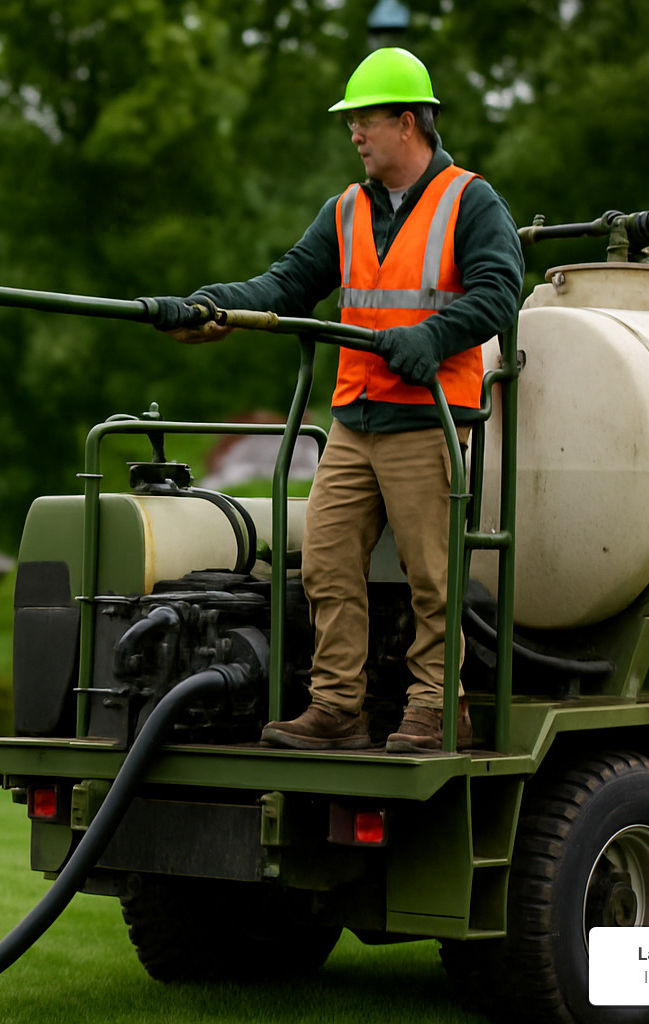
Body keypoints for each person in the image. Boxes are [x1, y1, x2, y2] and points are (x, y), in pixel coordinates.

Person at [146, 47, 523, 752]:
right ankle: (338, 709)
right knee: (324, 564)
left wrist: (432, 337)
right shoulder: (346, 210)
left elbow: (500, 295)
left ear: (407, 122)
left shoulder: (470, 201)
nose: (354, 134)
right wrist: (211, 304)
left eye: (364, 120)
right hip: (354, 421)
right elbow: (285, 285)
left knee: (432, 579)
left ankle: (438, 710)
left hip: (427, 421)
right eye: (351, 122)